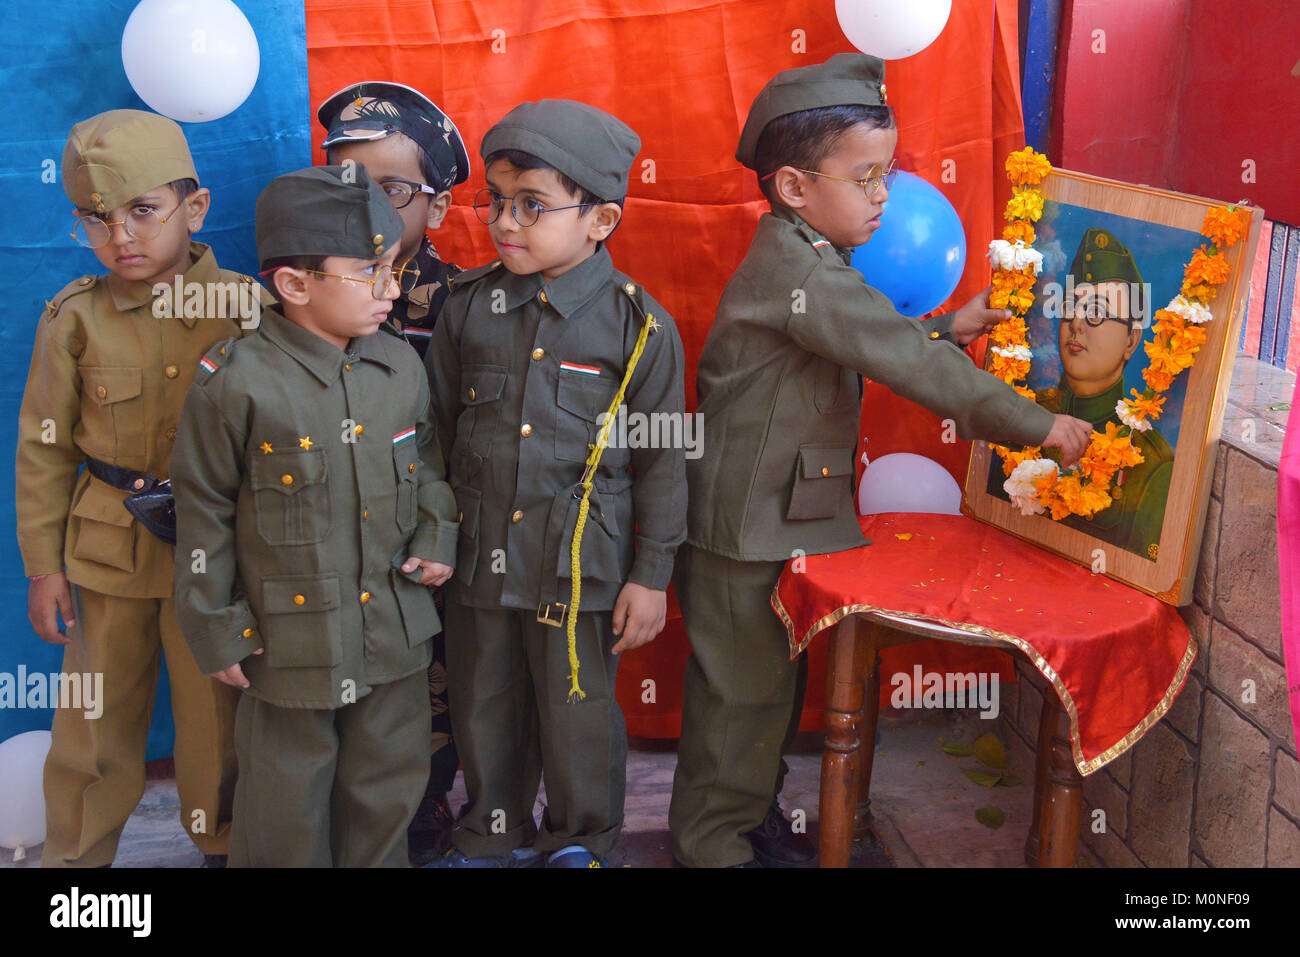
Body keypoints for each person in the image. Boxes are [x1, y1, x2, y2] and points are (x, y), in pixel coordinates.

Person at [668, 53, 1094, 868]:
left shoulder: (809, 262)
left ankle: (748, 817)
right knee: (739, 695)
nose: (884, 196)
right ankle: (710, 846)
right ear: (795, 188)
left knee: (767, 690)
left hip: (770, 513)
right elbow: (901, 359)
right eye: (865, 178)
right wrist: (1038, 426)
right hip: (743, 521)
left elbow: (874, 345)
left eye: (887, 174)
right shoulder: (803, 271)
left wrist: (948, 326)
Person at [170, 165, 459, 867]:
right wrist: (218, 625)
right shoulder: (235, 382)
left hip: (392, 631)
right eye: (369, 270)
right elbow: (202, 511)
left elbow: (426, 465)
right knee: (284, 806)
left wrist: (436, 533)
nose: (392, 288)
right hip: (287, 642)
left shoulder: (401, 366)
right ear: (294, 285)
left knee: (387, 791)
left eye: (393, 267)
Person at [424, 99, 687, 868]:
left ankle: (581, 839)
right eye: (496, 201)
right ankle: (489, 835)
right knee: (483, 707)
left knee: (576, 713)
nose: (505, 222)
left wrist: (652, 574)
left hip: (580, 566)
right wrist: (436, 542)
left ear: (600, 219)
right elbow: (433, 438)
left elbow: (665, 459)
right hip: (478, 558)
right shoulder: (467, 310)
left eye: (531, 205)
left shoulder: (639, 327)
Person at [15, 108, 254, 868]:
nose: (120, 236)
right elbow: (43, 449)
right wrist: (43, 567)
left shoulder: (254, 311)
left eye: (143, 212)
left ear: (196, 206)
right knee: (92, 728)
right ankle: (74, 873)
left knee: (220, 720)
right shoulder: (75, 320)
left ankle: (223, 846)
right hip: (106, 557)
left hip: (215, 560)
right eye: (95, 218)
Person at [317, 79, 470, 862]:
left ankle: (421, 809)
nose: (369, 206)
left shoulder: (464, 311)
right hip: (323, 541)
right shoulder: (295, 295)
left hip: (422, 545)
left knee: (424, 688)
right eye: (348, 183)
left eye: (395, 189)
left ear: (437, 208)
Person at [1040, 227, 1173, 560]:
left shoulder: (1150, 464)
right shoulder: (1025, 412)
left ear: (1131, 339)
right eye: (1070, 307)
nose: (1077, 324)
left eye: (1097, 313)